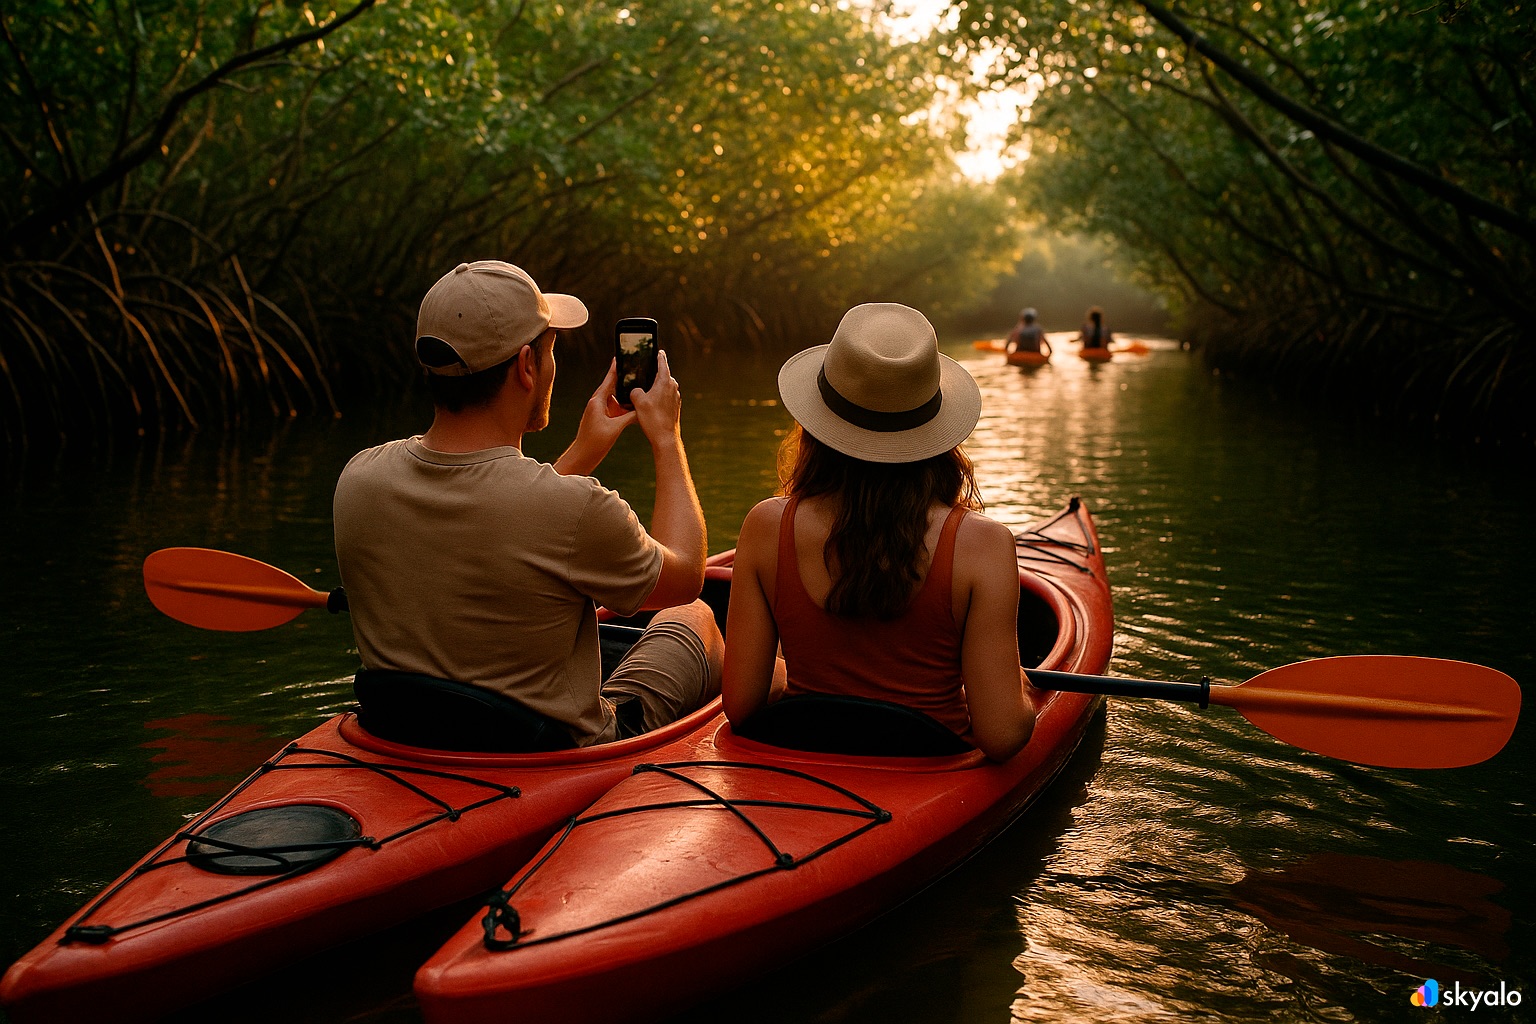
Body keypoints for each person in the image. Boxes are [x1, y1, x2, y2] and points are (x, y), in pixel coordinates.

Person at [333, 260, 723, 747]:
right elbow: (685, 578)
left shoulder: (358, 479)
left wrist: (582, 452)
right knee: (696, 619)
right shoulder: (577, 509)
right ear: (526, 366)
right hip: (552, 751)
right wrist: (667, 439)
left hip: (407, 731)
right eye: (550, 351)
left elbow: (500, 519)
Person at [721, 302, 1036, 762]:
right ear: (936, 432)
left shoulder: (765, 526)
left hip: (802, 755)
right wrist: (1021, 685)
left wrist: (790, 675)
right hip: (928, 764)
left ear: (817, 425)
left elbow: (742, 706)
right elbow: (1003, 733)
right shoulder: (982, 544)